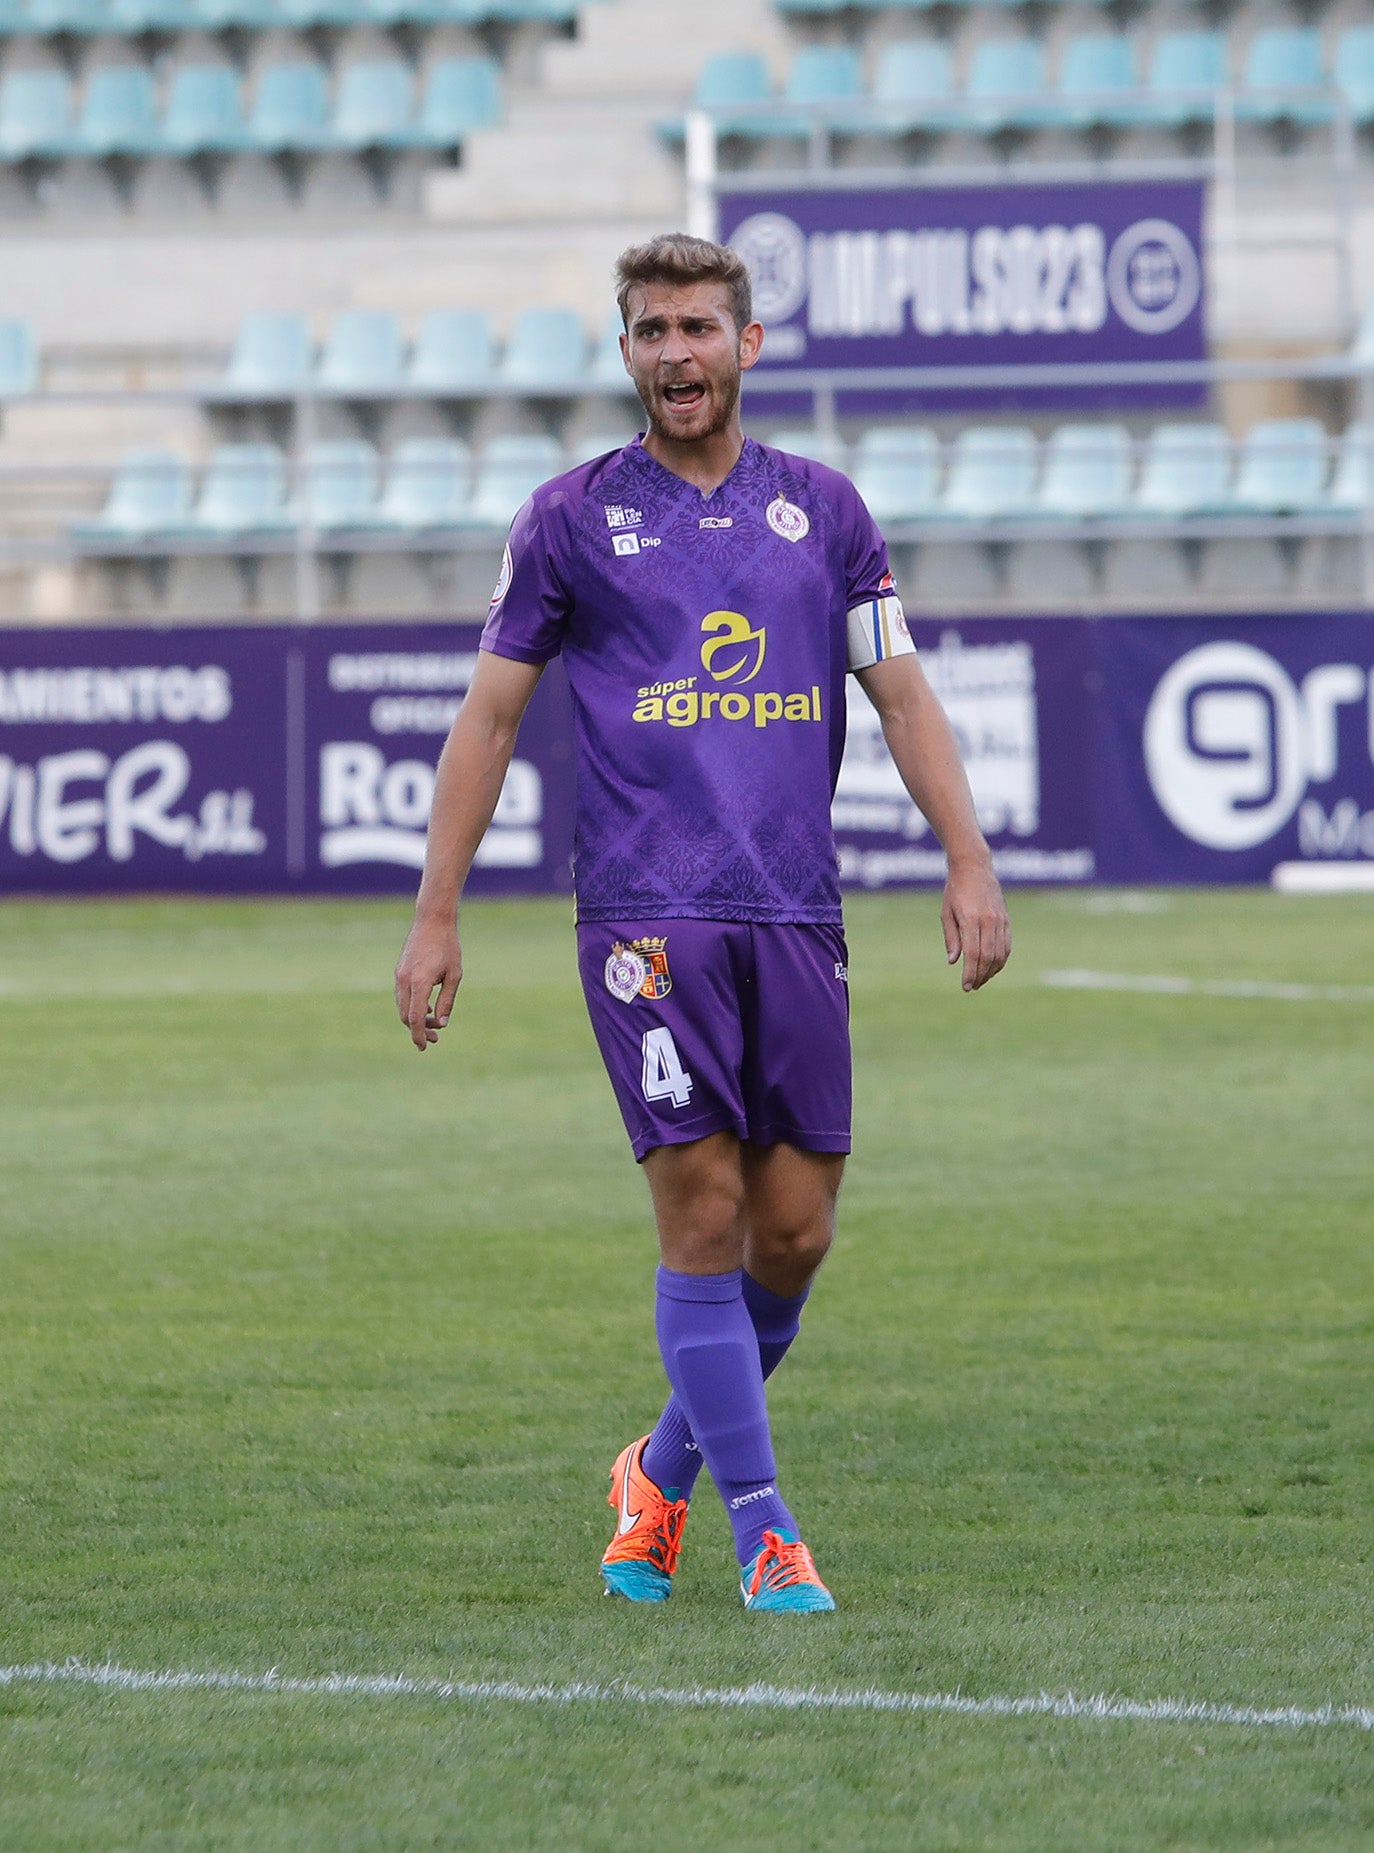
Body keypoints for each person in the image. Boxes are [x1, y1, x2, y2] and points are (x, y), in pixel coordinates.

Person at [395, 233, 1010, 1614]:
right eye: (649, 330)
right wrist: (437, 913)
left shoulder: (827, 513)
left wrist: (966, 858)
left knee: (791, 1236)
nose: (674, 352)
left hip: (792, 907)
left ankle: (657, 1464)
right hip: (644, 914)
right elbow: (489, 716)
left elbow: (901, 696)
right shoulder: (569, 519)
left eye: (697, 327)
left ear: (747, 346)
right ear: (625, 352)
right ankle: (762, 1524)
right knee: (708, 1211)